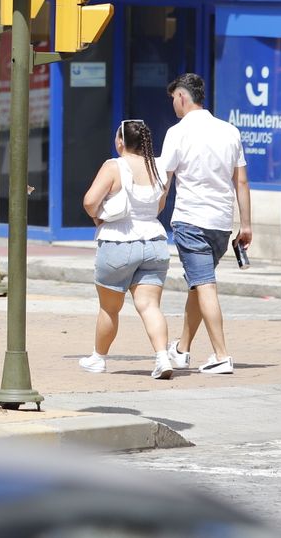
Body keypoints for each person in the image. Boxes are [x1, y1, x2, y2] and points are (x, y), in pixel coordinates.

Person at [158, 73, 251, 375]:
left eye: (174, 98)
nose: (173, 104)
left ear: (183, 97)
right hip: (221, 225)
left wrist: (152, 213)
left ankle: (221, 355)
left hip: (191, 220)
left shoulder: (177, 132)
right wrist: (246, 224)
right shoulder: (229, 131)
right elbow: (242, 180)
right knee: (198, 285)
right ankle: (182, 350)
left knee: (205, 286)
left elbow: (165, 179)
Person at [78, 120, 175, 380]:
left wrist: (98, 217)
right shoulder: (158, 167)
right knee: (149, 306)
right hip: (154, 242)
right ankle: (162, 357)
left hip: (118, 242)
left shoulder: (114, 166)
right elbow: (159, 207)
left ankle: (99, 359)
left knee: (109, 309)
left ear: (121, 141)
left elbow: (89, 201)